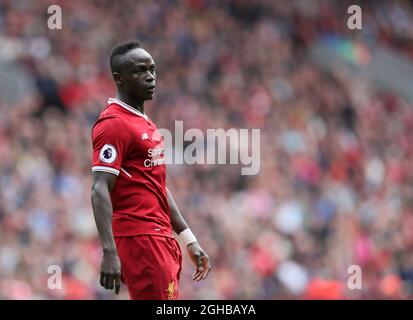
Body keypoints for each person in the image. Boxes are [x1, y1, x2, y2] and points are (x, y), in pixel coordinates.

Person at [90, 40, 211, 300]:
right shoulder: (114, 124)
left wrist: (188, 237)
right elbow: (99, 186)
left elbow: (155, 185)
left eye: (152, 69)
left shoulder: (142, 121)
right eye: (140, 71)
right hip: (142, 238)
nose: (150, 76)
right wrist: (109, 251)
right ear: (119, 79)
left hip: (157, 236)